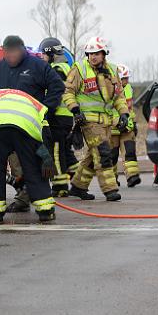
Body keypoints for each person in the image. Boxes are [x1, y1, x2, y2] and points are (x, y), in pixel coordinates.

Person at [0, 35, 64, 212]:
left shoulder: (37, 66)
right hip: (2, 125)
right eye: (8, 53)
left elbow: (57, 86)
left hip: (30, 126)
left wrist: (44, 109)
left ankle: (44, 209)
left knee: (35, 166)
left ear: (23, 50)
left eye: (15, 52)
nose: (11, 56)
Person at [63, 36, 128, 202]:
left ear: (104, 54)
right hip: (88, 121)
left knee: (93, 156)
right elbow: (68, 92)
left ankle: (78, 187)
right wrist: (75, 110)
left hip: (106, 121)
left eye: (96, 53)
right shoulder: (79, 69)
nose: (92, 57)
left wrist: (124, 114)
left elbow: (119, 96)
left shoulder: (113, 70)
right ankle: (110, 189)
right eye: (90, 54)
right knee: (103, 153)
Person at [0, 88, 56, 223]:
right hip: (24, 129)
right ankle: (46, 211)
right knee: (33, 167)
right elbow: (44, 135)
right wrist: (46, 157)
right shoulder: (38, 106)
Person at [38, 37, 75, 197]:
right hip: (66, 117)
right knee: (66, 152)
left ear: (50, 53)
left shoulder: (56, 69)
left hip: (58, 117)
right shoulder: (66, 67)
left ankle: (60, 187)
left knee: (57, 153)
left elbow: (56, 93)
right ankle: (78, 178)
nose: (42, 58)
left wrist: (47, 111)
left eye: (43, 55)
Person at [111, 63, 141, 187]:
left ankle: (132, 176)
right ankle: (112, 179)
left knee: (129, 151)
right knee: (112, 156)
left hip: (127, 128)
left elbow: (130, 109)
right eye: (124, 78)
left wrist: (133, 123)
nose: (126, 81)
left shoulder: (128, 88)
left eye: (127, 78)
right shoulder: (109, 89)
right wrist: (116, 122)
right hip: (112, 130)